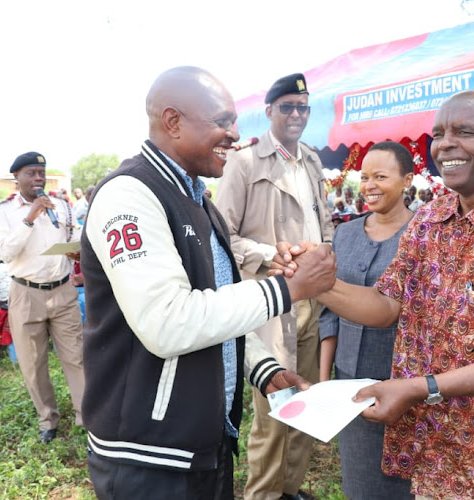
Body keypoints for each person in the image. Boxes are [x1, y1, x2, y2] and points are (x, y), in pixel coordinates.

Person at [279, 91, 474, 498]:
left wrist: (420, 388)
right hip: (434, 449)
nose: (445, 144)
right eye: (438, 134)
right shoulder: (431, 218)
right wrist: (321, 282)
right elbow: (387, 305)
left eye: (464, 131)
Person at [81, 66, 336, 500]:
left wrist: (261, 367)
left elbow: (213, 305)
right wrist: (287, 290)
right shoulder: (130, 195)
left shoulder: (198, 199)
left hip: (203, 443)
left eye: (233, 122)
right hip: (149, 455)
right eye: (221, 122)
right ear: (173, 121)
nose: (234, 134)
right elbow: (168, 322)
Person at [214, 72, 334, 500]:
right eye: (287, 107)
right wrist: (269, 254)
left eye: (303, 107)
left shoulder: (313, 160)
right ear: (269, 112)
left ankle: (290, 489)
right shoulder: (244, 162)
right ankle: (262, 494)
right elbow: (221, 235)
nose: (297, 114)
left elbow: (323, 224)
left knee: (305, 400)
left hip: (312, 301)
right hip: (268, 302)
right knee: (272, 413)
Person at [318, 141, 414, 500]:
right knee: (360, 484)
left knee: (407, 487)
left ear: (407, 181)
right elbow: (330, 313)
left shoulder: (425, 234)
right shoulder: (345, 233)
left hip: (406, 387)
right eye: (365, 177)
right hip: (349, 387)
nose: (369, 185)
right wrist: (325, 380)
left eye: (381, 176)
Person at [0, 152, 85, 444]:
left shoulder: (61, 206)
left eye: (41, 173)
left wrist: (76, 249)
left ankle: (87, 415)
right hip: (25, 293)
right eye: (31, 173)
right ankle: (48, 418)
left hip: (62, 290)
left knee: (77, 357)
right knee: (33, 363)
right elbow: (5, 253)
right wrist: (30, 218)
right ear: (16, 178)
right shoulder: (3, 211)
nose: (38, 179)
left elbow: (75, 235)